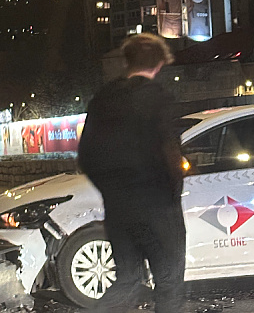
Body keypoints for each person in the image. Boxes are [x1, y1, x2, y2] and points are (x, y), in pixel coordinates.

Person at [78, 33, 185, 312]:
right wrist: (172, 193)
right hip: (158, 206)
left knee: (126, 280)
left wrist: (112, 192)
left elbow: (86, 157)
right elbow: (169, 152)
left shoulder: (102, 100)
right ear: (161, 63)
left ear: (126, 61)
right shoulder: (158, 98)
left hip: (119, 209)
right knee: (169, 281)